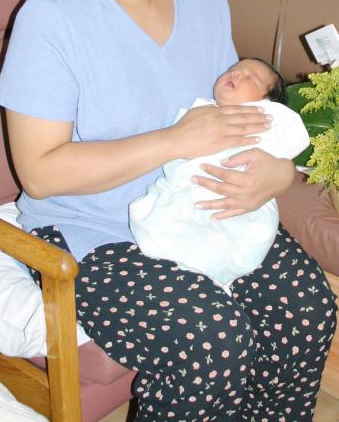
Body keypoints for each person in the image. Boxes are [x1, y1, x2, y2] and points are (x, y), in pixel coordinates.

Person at [0, 0, 336, 420]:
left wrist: (278, 171)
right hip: (91, 230)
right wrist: (176, 141)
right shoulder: (51, 19)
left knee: (308, 306)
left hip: (197, 211)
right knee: (213, 342)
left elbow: (232, 117)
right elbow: (41, 174)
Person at [130, 58, 310, 289]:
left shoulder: (267, 118)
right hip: (193, 188)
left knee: (250, 233)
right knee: (168, 221)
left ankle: (216, 273)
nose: (236, 75)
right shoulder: (202, 110)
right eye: (233, 70)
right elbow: (177, 156)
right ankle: (197, 271)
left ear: (266, 100)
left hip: (243, 198)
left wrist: (283, 167)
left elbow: (295, 137)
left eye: (250, 77)